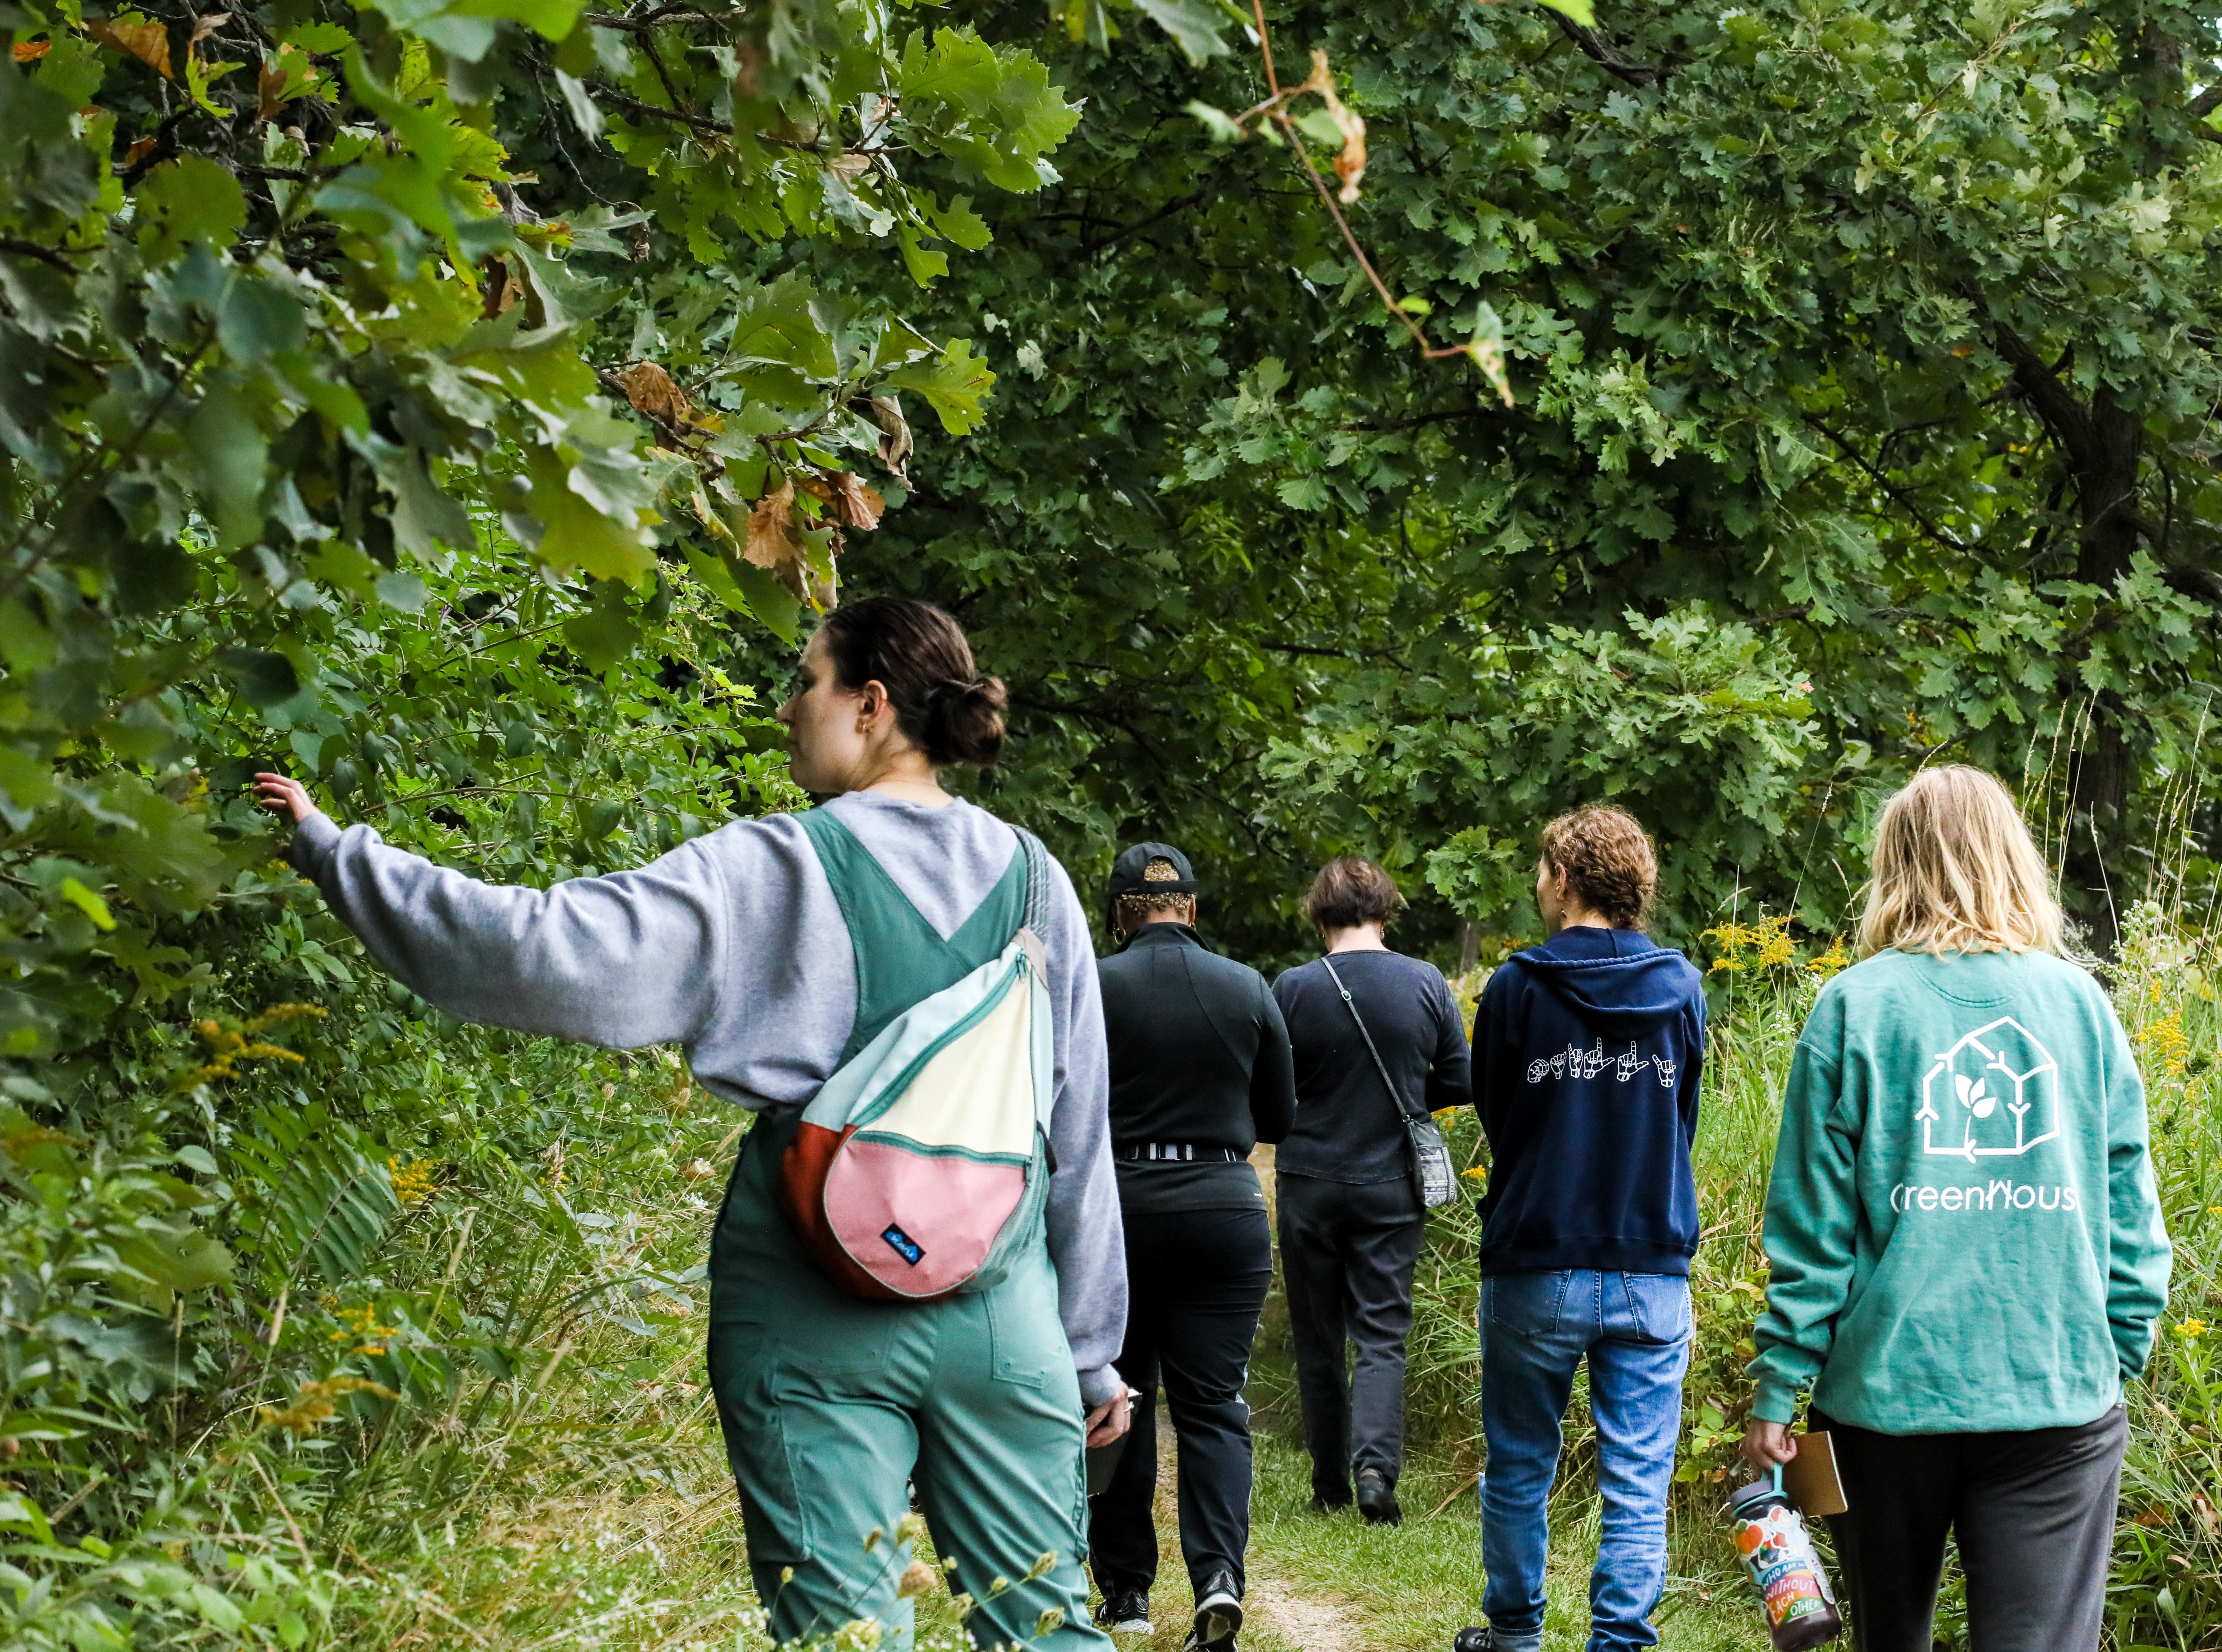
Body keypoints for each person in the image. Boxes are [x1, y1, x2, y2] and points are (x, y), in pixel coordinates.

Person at [252, 599, 1128, 1652]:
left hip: (812, 1302)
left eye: (808, 682)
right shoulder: (1042, 884)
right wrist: (1086, 1357)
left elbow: (544, 948)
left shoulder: (775, 869)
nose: (788, 709)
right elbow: (1073, 1139)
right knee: (1046, 1631)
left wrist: (337, 854)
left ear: (873, 705)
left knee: (842, 1637)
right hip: (1003, 1309)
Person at [1740, 765, 2172, 1652]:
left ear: (1894, 866)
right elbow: (2129, 1197)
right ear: (2013, 861)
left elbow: (1813, 1233)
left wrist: (1781, 1388)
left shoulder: (1853, 1007)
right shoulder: (2080, 1006)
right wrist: (2117, 1345)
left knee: (1889, 1639)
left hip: (1886, 1402)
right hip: (2056, 1393)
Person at [1455, 806, 1707, 1652]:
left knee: (1522, 1461)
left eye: (1541, 868)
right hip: (1650, 1259)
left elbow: (1499, 1110)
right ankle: (1621, 1642)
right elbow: (1684, 1115)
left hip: (1537, 1253)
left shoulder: (1518, 987)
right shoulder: (1682, 987)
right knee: (1639, 1477)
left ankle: (1516, 1634)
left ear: (1563, 879)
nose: (1538, 882)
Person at [1088, 843, 1295, 1649]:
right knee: (1214, 1406)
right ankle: (1218, 1580)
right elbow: (1278, 1118)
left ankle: (1129, 1593)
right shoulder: (1247, 987)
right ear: (1194, 909)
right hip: (1222, 1209)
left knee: (1119, 1397)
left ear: (1119, 912)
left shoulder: (1095, 986)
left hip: (1120, 1212)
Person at [1270, 857, 1472, 1526]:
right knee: (1383, 1332)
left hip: (1309, 1183)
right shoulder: (1425, 983)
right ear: (1385, 911)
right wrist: (1411, 1100)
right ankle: (1376, 1471)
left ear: (1320, 916)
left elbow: (1268, 1092)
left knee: (1318, 1335)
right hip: (1392, 1183)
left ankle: (1328, 1480)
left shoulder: (1293, 988)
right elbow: (1460, 1080)